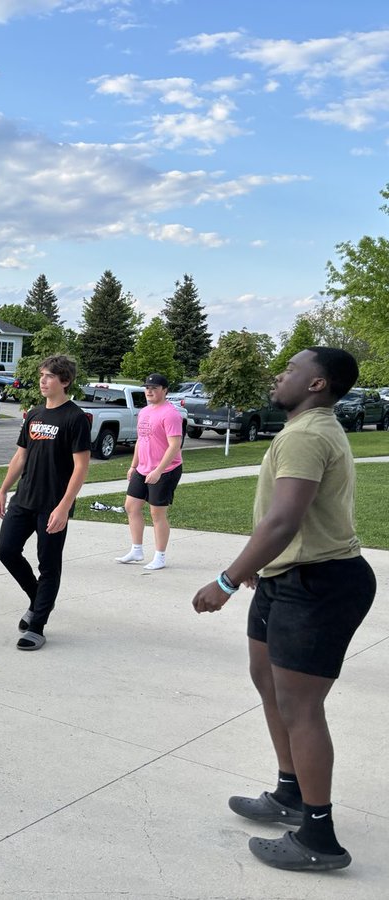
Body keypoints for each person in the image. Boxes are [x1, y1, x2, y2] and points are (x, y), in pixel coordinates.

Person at [192, 347, 375, 872]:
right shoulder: (307, 429)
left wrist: (226, 580)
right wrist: (260, 565)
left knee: (301, 707)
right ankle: (290, 793)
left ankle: (319, 837)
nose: (280, 373)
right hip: (283, 577)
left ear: (317, 384)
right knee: (267, 683)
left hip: (318, 584)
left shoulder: (307, 434)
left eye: (292, 368)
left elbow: (284, 521)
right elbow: (281, 524)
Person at [0, 355, 90, 651]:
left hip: (53, 504)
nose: (43, 380)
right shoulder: (35, 415)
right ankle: (39, 601)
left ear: (65, 381)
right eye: (42, 375)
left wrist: (64, 506)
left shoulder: (75, 418)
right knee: (6, 550)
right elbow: (20, 456)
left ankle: (37, 626)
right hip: (24, 499)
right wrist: (3, 490)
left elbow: (81, 467)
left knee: (49, 564)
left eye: (49, 376)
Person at [115, 373, 183, 570]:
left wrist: (159, 471)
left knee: (157, 513)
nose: (150, 391)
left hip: (166, 469)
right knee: (131, 506)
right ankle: (137, 550)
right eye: (147, 388)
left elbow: (174, 446)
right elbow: (141, 440)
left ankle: (160, 556)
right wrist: (134, 465)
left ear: (165, 390)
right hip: (143, 468)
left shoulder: (170, 414)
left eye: (154, 388)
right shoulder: (144, 412)